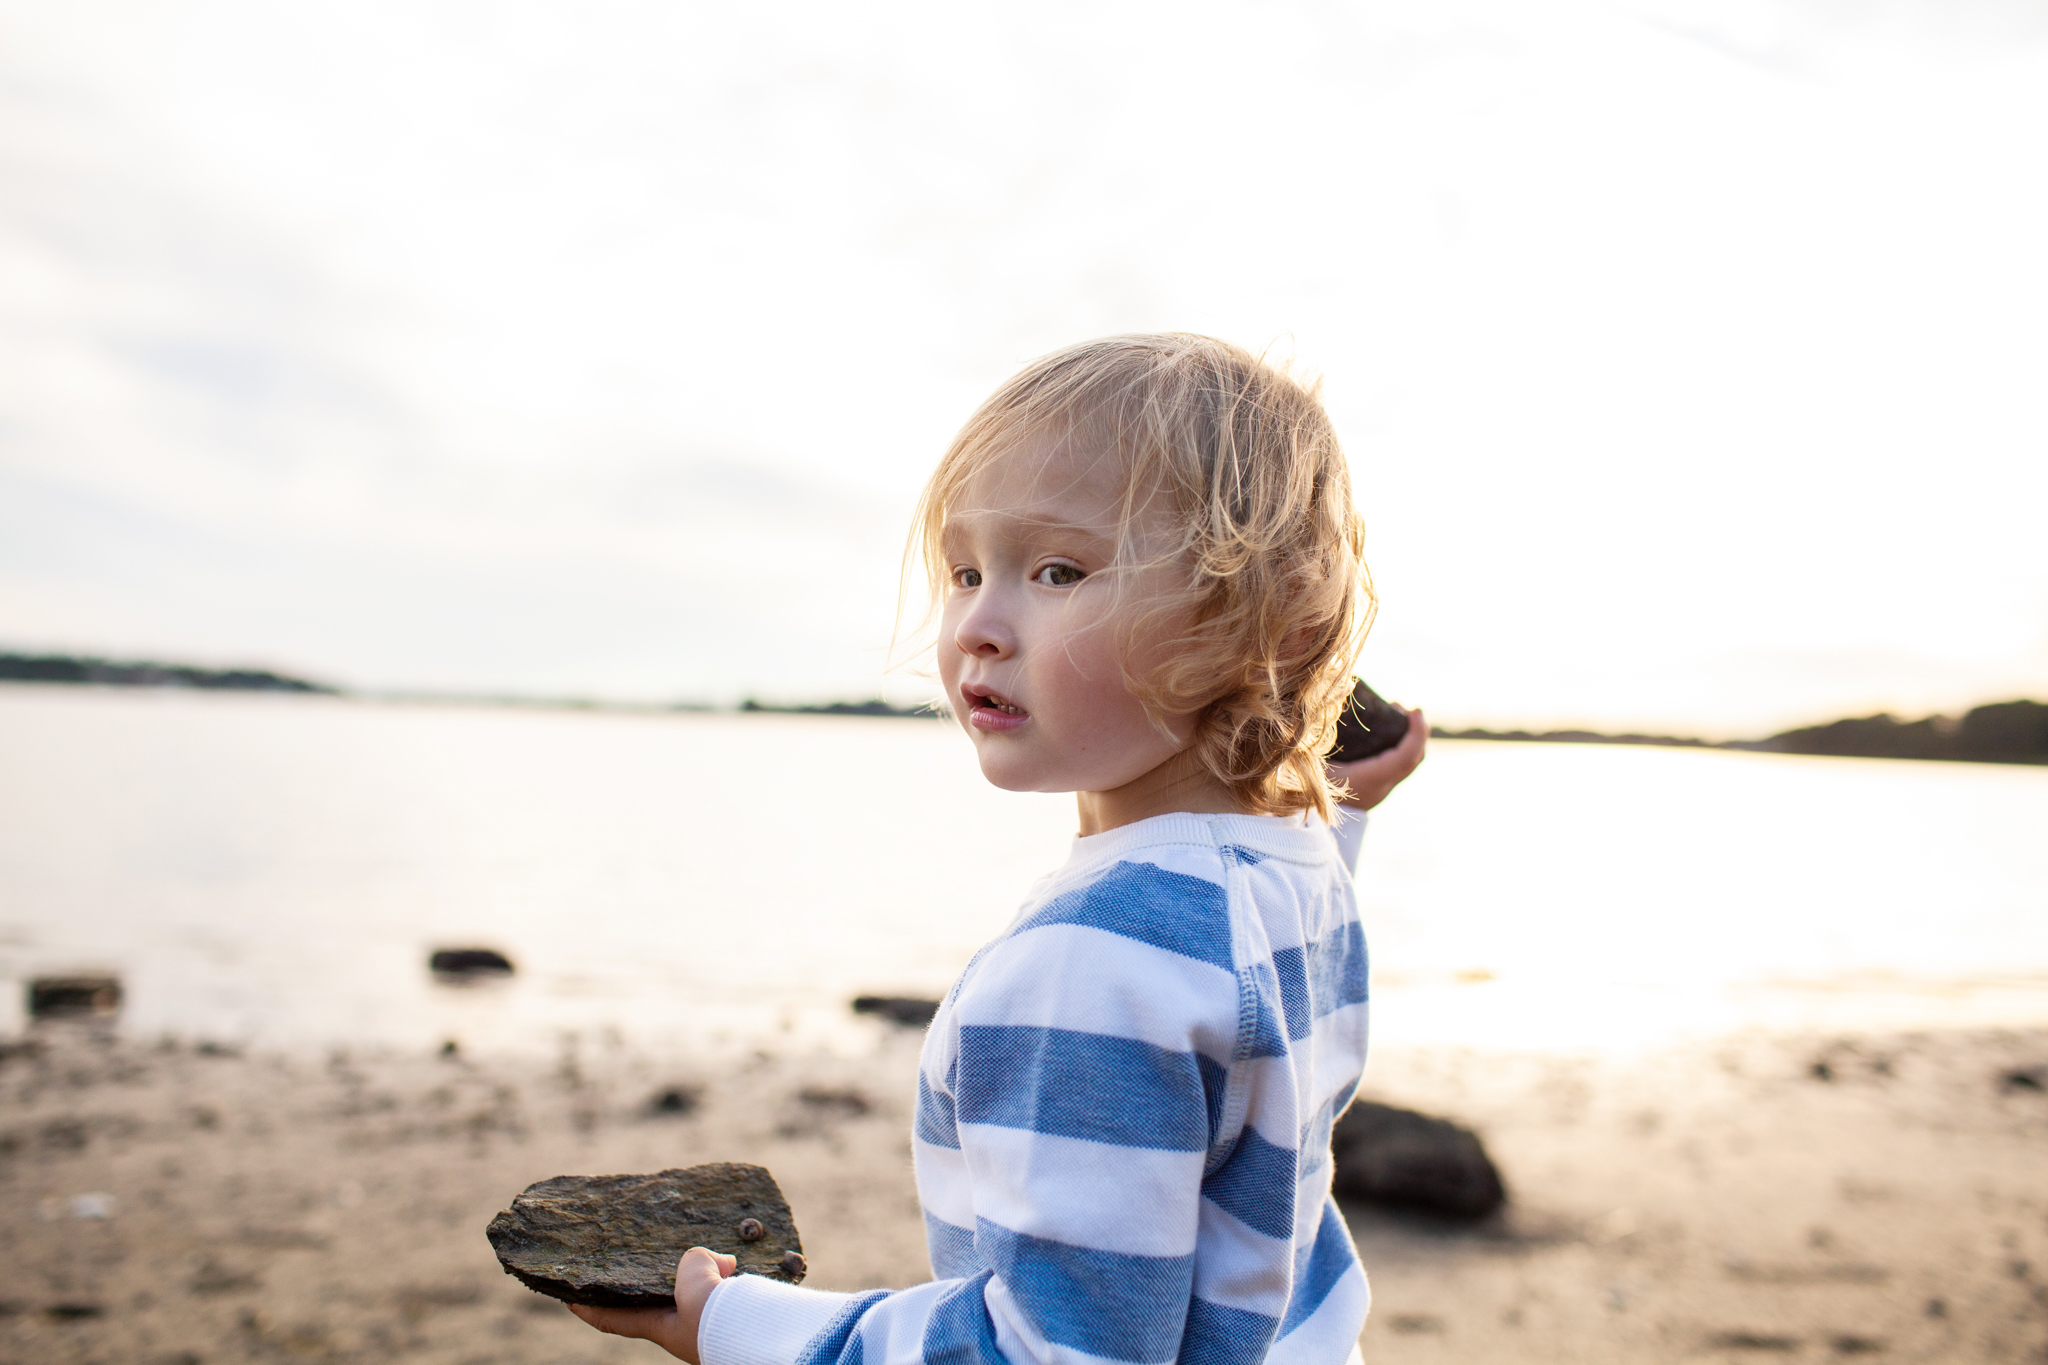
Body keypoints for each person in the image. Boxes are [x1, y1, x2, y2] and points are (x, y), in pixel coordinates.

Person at [572, 334, 1420, 1365]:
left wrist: (740, 1327)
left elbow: (1049, 1352)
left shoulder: (1093, 961)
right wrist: (1348, 806)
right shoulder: (1291, 872)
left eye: (1056, 570)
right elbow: (1263, 972)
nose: (976, 622)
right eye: (965, 571)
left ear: (1273, 624)